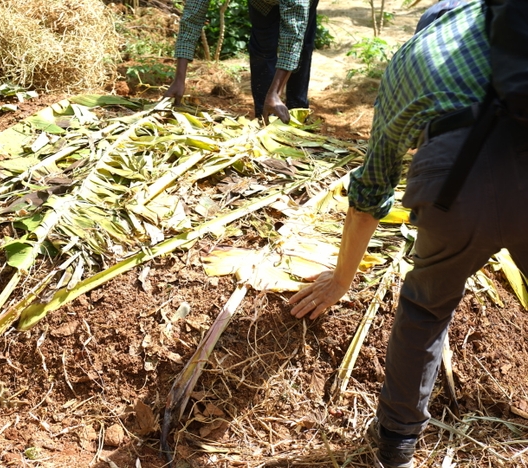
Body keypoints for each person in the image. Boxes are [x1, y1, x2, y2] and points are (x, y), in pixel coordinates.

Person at [288, 1, 528, 467]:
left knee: (425, 307)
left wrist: (341, 280)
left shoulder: (406, 64)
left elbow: (371, 187)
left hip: (453, 185)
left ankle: (397, 449)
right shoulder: (499, 18)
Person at [164, 0, 318, 124]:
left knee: (302, 47)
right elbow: (192, 17)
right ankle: (264, 117)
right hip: (261, 4)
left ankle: (297, 110)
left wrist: (275, 92)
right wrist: (179, 79)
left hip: (301, 4)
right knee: (262, 49)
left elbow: (293, 36)